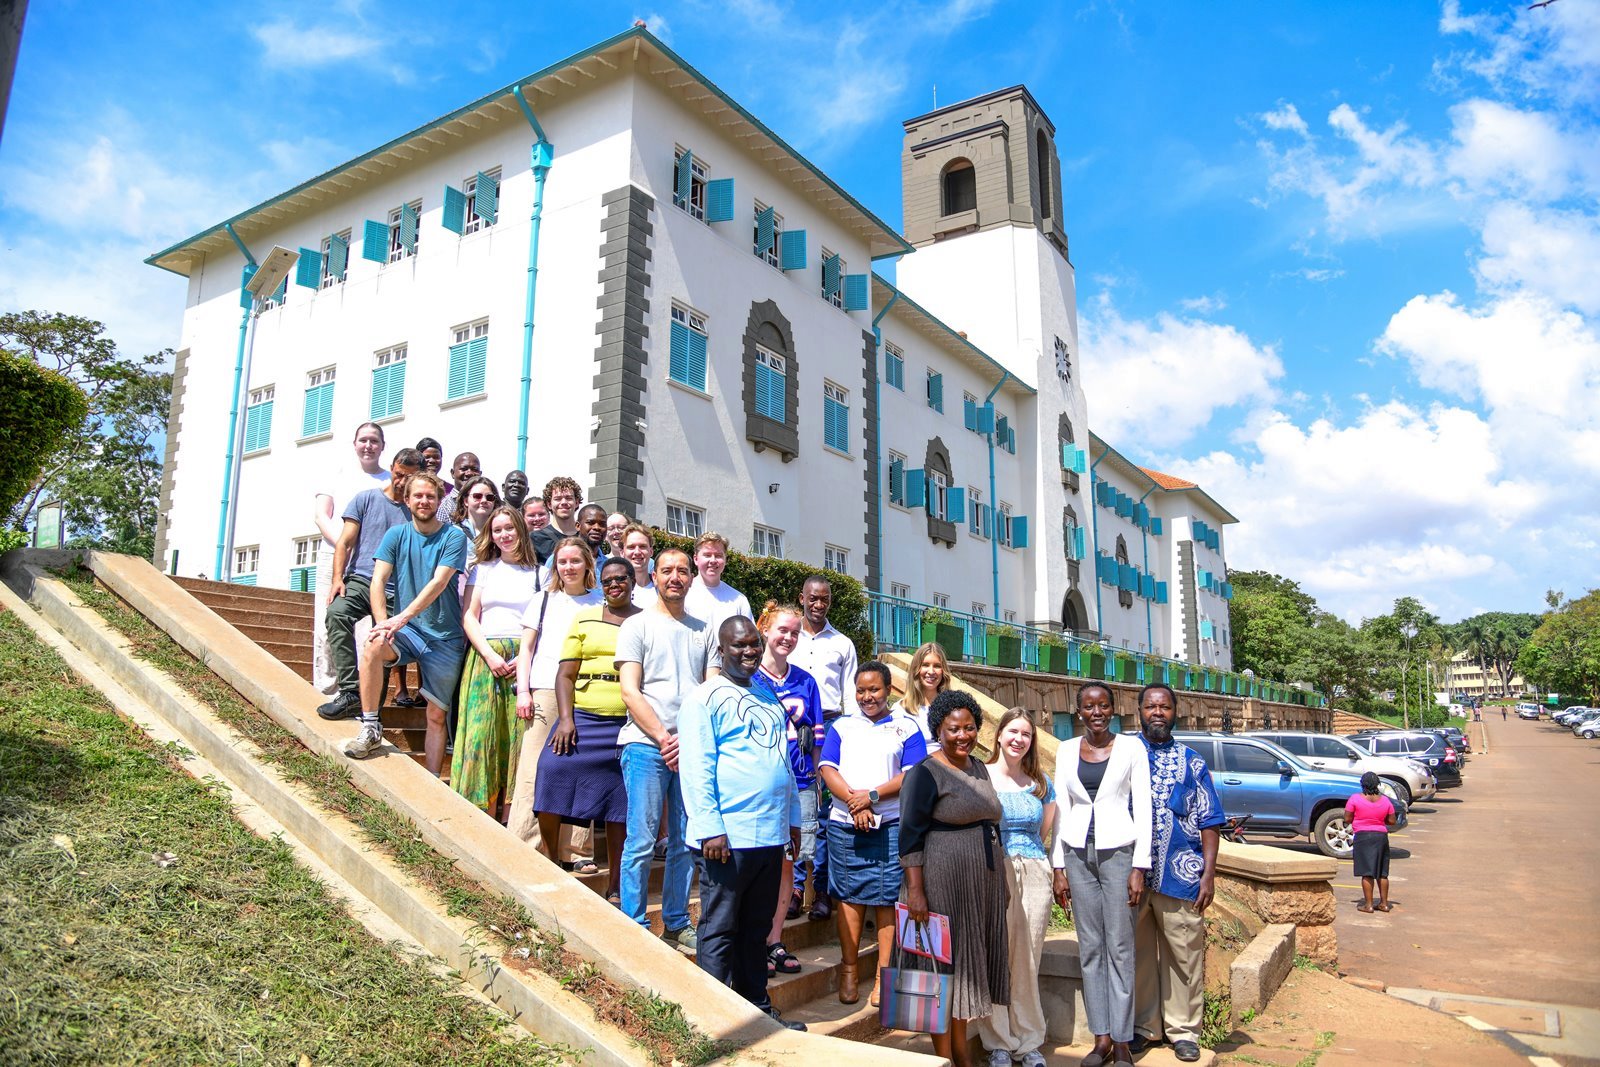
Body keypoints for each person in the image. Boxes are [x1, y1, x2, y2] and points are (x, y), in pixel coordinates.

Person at [679, 616, 807, 1032]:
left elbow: (781, 764)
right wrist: (709, 827)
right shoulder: (705, 698)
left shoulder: (768, 697)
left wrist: (792, 818)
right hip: (726, 839)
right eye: (739, 645)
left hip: (769, 836)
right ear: (722, 649)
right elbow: (697, 767)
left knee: (756, 929)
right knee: (719, 929)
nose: (749, 651)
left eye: (754, 644)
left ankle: (756, 1009)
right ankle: (713, 1021)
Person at [615, 548, 719, 954]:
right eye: (667, 570)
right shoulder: (637, 625)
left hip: (689, 752)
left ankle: (675, 922)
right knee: (641, 840)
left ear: (691, 578)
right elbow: (629, 690)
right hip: (645, 746)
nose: (675, 577)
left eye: (682, 571)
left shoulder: (705, 629)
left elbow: (709, 692)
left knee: (682, 842)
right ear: (654, 576)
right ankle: (634, 924)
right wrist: (663, 737)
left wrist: (688, 743)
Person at [900, 690, 1009, 1067]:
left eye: (969, 728)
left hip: (978, 881)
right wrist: (916, 890)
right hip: (941, 880)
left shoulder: (978, 767)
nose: (962, 735)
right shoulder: (925, 773)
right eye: (953, 729)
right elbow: (910, 835)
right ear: (937, 730)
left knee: (963, 970)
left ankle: (961, 1050)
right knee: (939, 971)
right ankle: (944, 1057)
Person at [343, 472, 470, 776]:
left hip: (445, 636)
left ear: (439, 501)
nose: (424, 501)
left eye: (430, 496)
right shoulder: (395, 535)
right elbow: (378, 580)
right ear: (407, 499)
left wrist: (400, 618)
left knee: (437, 715)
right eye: (418, 495)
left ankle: (433, 781)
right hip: (409, 631)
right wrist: (383, 622)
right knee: (373, 644)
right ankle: (371, 726)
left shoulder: (454, 536)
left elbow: (439, 582)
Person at [1050, 683, 1151, 1067]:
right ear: (1079, 712)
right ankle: (1102, 1038)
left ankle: (1124, 1040)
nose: (1097, 711)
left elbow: (1143, 806)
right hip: (1077, 853)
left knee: (1120, 946)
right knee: (1090, 947)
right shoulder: (1065, 750)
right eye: (1089, 706)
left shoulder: (1131, 748)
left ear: (1113, 710)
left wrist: (1140, 865)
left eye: (1103, 705)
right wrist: (1058, 865)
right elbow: (1061, 807)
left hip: (1119, 853)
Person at [816, 662, 926, 1006]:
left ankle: (883, 976)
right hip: (844, 823)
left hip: (891, 825)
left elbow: (913, 775)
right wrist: (855, 801)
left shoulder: (906, 727)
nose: (867, 697)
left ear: (889, 690)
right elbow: (827, 768)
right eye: (861, 691)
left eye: (874, 690)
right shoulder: (842, 726)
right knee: (848, 897)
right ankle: (849, 971)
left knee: (886, 900)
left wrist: (872, 796)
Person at [534, 556, 640, 902]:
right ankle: (550, 859)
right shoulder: (584, 617)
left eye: (620, 579)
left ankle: (617, 885)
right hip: (583, 718)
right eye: (607, 581)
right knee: (551, 769)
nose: (614, 586)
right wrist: (566, 719)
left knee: (620, 805)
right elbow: (565, 674)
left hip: (627, 723)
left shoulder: (646, 622)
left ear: (633, 581)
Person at [1130, 684, 1225, 1064]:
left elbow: (1210, 819)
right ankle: (1144, 1026)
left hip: (1180, 875)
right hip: (1131, 876)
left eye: (1164, 706)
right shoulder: (1125, 755)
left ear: (1175, 712)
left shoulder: (1193, 762)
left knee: (1184, 955)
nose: (1157, 712)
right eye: (1150, 706)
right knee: (1136, 954)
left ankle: (1184, 1031)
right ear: (1138, 710)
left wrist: (1209, 874)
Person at [509, 537, 603, 863]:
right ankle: (524, 843)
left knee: (581, 768)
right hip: (546, 690)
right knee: (534, 767)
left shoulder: (599, 603)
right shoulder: (543, 600)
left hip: (587, 692)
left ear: (587, 564)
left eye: (575, 561)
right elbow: (526, 650)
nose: (568, 567)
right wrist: (523, 690)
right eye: (562, 562)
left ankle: (576, 850)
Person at [977, 708, 1057, 1067]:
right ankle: (997, 1041)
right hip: (996, 870)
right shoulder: (981, 775)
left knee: (1028, 957)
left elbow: (1045, 832)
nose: (1018, 739)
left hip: (1036, 873)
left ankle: (1027, 1040)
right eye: (1012, 731)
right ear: (998, 734)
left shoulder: (1040, 783)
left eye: (1025, 734)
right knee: (997, 954)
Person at [316, 448, 421, 721]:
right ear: (392, 468)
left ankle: (373, 710)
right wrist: (338, 578)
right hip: (361, 579)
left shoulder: (417, 513)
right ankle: (351, 692)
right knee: (337, 614)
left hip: (397, 591)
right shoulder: (365, 499)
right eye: (399, 474)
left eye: (409, 478)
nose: (401, 482)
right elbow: (345, 541)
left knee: (383, 640)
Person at [451, 506, 540, 819]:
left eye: (509, 528)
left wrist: (524, 658)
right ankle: (478, 813)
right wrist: (489, 654)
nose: (504, 535)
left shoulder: (538, 573)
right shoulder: (483, 569)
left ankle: (509, 817)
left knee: (514, 739)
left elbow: (541, 621)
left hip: (523, 658)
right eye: (498, 530)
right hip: (484, 657)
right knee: (481, 735)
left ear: (521, 529)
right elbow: (469, 616)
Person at [750, 601, 825, 969]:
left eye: (795, 632)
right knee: (759, 861)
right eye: (782, 630)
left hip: (799, 782)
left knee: (789, 862)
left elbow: (817, 735)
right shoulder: (748, 679)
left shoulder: (805, 680)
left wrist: (815, 778)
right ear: (764, 628)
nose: (788, 637)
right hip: (760, 784)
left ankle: (775, 940)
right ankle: (753, 939)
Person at [790, 573, 859, 921]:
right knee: (797, 807)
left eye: (825, 600)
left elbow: (850, 694)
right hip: (793, 725)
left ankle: (821, 890)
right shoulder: (789, 637)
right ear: (802, 598)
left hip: (831, 725)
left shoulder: (843, 643)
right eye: (812, 598)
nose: (818, 605)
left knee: (824, 811)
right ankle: (795, 887)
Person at [310, 422, 390, 695]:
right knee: (327, 624)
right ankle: (325, 688)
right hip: (333, 556)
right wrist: (345, 546)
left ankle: (357, 693)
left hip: (370, 566)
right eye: (363, 440)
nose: (368, 445)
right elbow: (322, 516)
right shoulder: (337, 474)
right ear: (354, 444)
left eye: (374, 441)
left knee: (364, 631)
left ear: (382, 446)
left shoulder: (388, 480)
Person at [1347, 771, 1396, 914]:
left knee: (1367, 872)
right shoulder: (1385, 800)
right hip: (1380, 836)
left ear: (1362, 784)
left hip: (1363, 836)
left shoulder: (1355, 799)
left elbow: (1347, 818)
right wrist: (1379, 820)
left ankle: (1368, 905)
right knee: (1382, 872)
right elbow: (1392, 821)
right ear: (1377, 785)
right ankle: (1384, 904)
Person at [684, 532, 752, 632]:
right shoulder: (683, 594)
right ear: (696, 559)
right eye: (707, 555)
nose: (713, 560)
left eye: (718, 555)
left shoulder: (739, 600)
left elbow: (749, 638)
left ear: (725, 560)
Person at [896, 641, 951, 742]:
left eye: (937, 666)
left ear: (943, 671)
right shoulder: (900, 710)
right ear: (916, 669)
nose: (931, 671)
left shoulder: (951, 710)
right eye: (925, 665)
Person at [529, 476, 583, 562]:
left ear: (576, 502)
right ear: (549, 504)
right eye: (557, 499)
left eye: (568, 498)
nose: (564, 502)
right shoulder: (536, 539)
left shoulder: (585, 536)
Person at [620, 523, 657, 608]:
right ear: (622, 553)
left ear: (651, 551)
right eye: (631, 547)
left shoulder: (661, 590)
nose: (637, 552)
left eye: (642, 546)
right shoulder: (614, 589)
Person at [439, 451, 482, 520]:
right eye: (464, 469)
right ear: (453, 473)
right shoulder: (445, 506)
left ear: (480, 474)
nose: (469, 473)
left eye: (474, 469)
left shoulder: (486, 502)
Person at [576, 503, 611, 576]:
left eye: (602, 524)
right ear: (578, 526)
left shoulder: (609, 565)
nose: (597, 527)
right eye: (590, 523)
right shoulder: (562, 560)